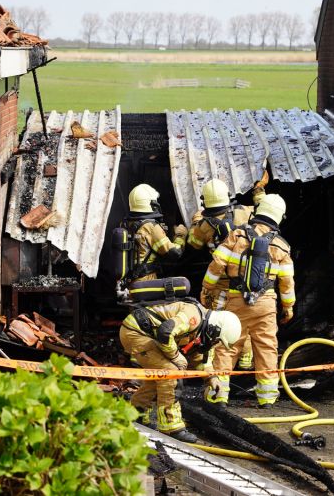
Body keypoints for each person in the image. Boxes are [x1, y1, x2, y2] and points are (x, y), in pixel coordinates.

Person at [202, 194, 295, 408]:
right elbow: (287, 282)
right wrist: (288, 307)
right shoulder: (281, 246)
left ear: (258, 211)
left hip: (236, 300)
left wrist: (207, 288)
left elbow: (217, 264)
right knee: (266, 347)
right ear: (279, 217)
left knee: (227, 345)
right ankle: (267, 398)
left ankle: (218, 396)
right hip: (266, 304)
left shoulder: (237, 235)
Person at [119, 301, 241, 443]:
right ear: (215, 328)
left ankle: (135, 414)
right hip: (136, 333)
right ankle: (171, 427)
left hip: (142, 333)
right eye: (217, 339)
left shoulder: (200, 329)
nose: (214, 343)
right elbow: (165, 332)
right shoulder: (193, 316)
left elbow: (199, 359)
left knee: (159, 377)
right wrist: (176, 357)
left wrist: (212, 378)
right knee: (171, 373)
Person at [187, 173, 268, 370]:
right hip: (244, 278)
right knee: (243, 317)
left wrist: (196, 220)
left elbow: (193, 243)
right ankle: (245, 359)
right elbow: (264, 211)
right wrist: (259, 191)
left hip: (219, 280)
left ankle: (213, 363)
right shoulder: (244, 212)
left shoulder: (204, 226)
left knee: (216, 320)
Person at [123, 184, 187, 284]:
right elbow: (175, 253)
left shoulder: (126, 224)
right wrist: (180, 236)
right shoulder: (151, 227)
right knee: (184, 285)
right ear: (150, 203)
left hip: (128, 280)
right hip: (145, 281)